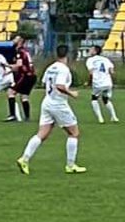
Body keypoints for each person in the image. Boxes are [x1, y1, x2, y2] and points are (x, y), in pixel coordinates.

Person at [15, 45, 86, 176]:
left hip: (47, 102)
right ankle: (71, 165)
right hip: (58, 104)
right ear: (68, 55)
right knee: (74, 133)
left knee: (42, 134)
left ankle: (24, 159)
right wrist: (72, 93)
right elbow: (59, 86)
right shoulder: (63, 69)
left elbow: (44, 82)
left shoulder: (50, 67)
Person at [85, 46, 118, 124]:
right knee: (106, 99)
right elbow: (112, 71)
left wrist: (89, 82)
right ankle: (114, 117)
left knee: (94, 98)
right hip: (108, 83)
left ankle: (100, 118)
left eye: (91, 49)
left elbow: (91, 72)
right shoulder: (106, 59)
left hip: (98, 83)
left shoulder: (90, 60)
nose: (89, 50)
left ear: (95, 52)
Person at [7, 35, 36, 122]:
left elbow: (19, 65)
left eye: (15, 39)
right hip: (31, 76)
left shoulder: (19, 51)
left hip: (24, 76)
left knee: (10, 92)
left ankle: (12, 115)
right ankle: (27, 117)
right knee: (24, 96)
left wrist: (6, 65)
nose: (13, 40)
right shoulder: (25, 51)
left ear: (20, 41)